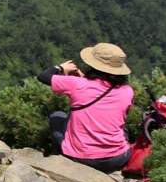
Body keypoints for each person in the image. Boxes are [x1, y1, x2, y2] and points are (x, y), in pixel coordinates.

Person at [37, 42, 135, 173]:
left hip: (81, 159)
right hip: (117, 159)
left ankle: (60, 162)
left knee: (57, 116)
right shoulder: (127, 91)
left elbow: (43, 76)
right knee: (123, 128)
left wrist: (60, 67)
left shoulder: (77, 84)